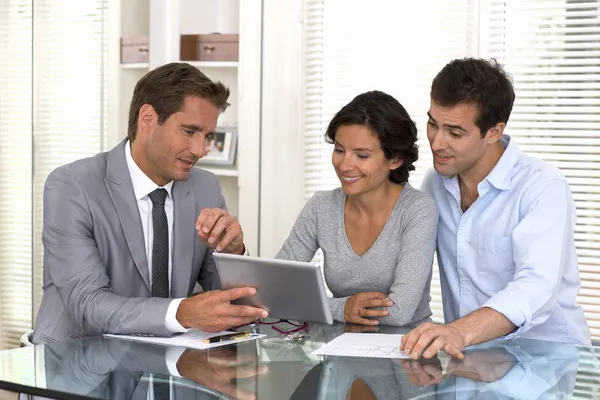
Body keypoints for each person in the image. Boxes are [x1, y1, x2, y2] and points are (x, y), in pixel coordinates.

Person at [32, 62, 268, 344]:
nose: (200, 150)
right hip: (78, 364)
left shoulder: (205, 187)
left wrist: (234, 252)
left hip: (165, 365)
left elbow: (224, 298)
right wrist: (183, 313)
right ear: (147, 119)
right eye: (189, 131)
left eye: (207, 137)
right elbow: (88, 305)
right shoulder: (72, 186)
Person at [400, 58, 591, 361]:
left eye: (455, 132)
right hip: (472, 361)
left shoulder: (542, 186)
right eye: (433, 124)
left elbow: (534, 285)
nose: (437, 142)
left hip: (545, 363)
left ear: (493, 131)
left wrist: (459, 331)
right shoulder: (435, 184)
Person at [276, 90, 438, 326]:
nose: (344, 165)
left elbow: (400, 312)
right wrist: (341, 308)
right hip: (338, 347)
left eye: (362, 156)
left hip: (405, 348)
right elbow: (277, 286)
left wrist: (326, 307)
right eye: (339, 150)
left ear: (395, 159)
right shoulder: (321, 207)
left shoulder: (417, 210)